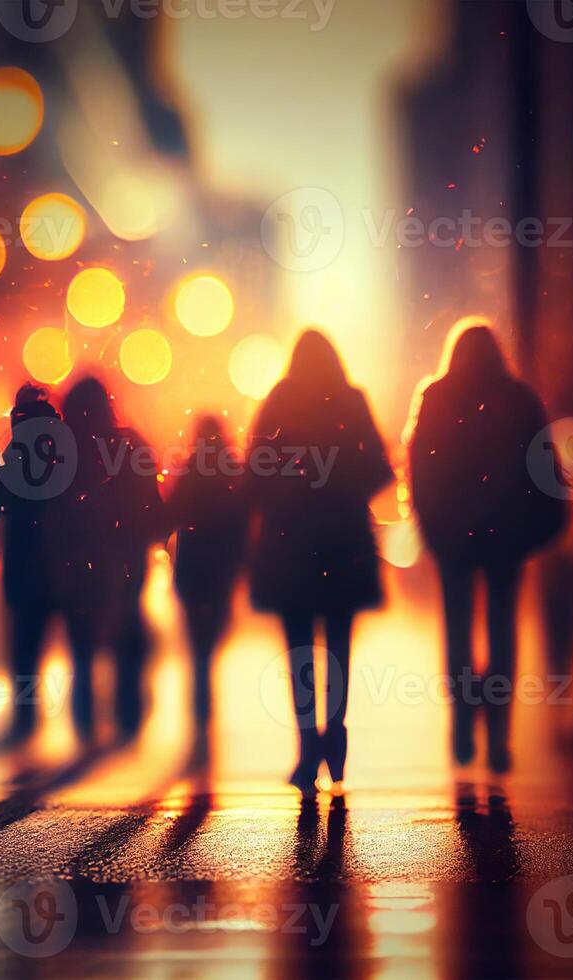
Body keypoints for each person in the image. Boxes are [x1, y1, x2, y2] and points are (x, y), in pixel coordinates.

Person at [407, 323, 565, 772]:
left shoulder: (437, 396)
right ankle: (497, 733)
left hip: (453, 533)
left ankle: (461, 720)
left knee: (457, 625)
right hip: (506, 533)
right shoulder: (519, 398)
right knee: (502, 627)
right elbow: (543, 467)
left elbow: (421, 463)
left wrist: (430, 521)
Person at [249, 330, 393, 793]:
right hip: (342, 541)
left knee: (299, 651)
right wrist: (341, 491)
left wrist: (286, 495)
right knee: (339, 645)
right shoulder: (350, 402)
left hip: (290, 545)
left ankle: (307, 745)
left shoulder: (278, 401)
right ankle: (337, 739)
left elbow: (253, 469)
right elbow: (379, 468)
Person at [46, 377, 164, 742]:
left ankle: (85, 720)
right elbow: (151, 504)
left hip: (77, 560)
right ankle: (128, 715)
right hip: (124, 558)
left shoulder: (60, 446)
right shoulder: (129, 444)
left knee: (81, 641)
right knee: (127, 633)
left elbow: (48, 509)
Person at [167, 416, 247, 740]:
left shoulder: (189, 469)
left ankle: (200, 702)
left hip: (192, 568)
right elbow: (242, 518)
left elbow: (172, 511)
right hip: (220, 568)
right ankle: (204, 699)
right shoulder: (232, 469)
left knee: (197, 639)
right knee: (211, 635)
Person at [0, 383, 63, 743]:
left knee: (24, 646)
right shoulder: (64, 446)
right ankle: (92, 715)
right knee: (79, 640)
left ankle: (26, 717)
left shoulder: (15, 451)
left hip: (24, 561)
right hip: (59, 558)